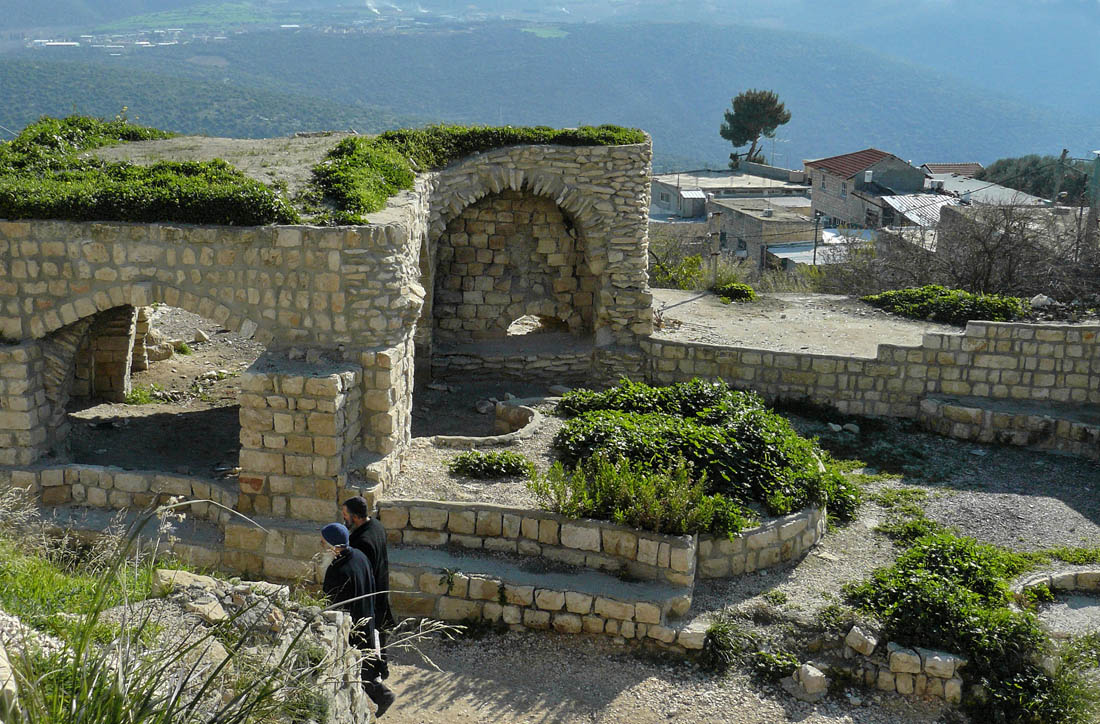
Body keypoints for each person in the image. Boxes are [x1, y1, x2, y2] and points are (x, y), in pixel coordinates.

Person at [320, 522, 396, 718]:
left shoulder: (338, 570)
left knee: (359, 665)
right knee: (367, 659)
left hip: (353, 624)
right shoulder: (359, 556)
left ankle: (383, 696)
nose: (321, 547)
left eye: (323, 543)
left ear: (333, 546)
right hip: (367, 615)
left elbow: (332, 604)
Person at [342, 496, 394, 679]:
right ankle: (383, 668)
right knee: (379, 632)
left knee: (370, 636)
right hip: (381, 587)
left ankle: (375, 676)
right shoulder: (377, 526)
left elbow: (361, 572)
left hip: (370, 595)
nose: (344, 519)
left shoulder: (362, 541)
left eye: (345, 515)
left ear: (355, 517)